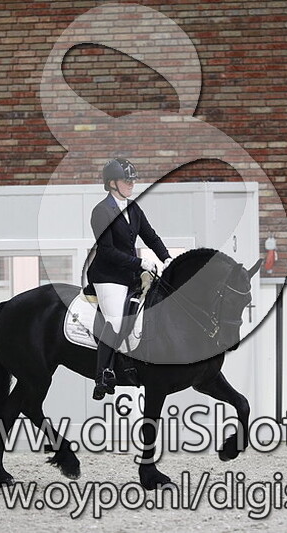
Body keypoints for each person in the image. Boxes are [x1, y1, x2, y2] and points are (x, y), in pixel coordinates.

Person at [87, 158, 172, 400]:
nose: (132, 184)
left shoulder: (133, 208)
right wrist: (140, 263)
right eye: (127, 181)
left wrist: (166, 258)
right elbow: (107, 251)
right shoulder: (101, 211)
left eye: (133, 180)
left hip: (130, 274)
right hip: (108, 276)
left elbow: (151, 237)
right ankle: (103, 374)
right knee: (115, 320)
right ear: (112, 183)